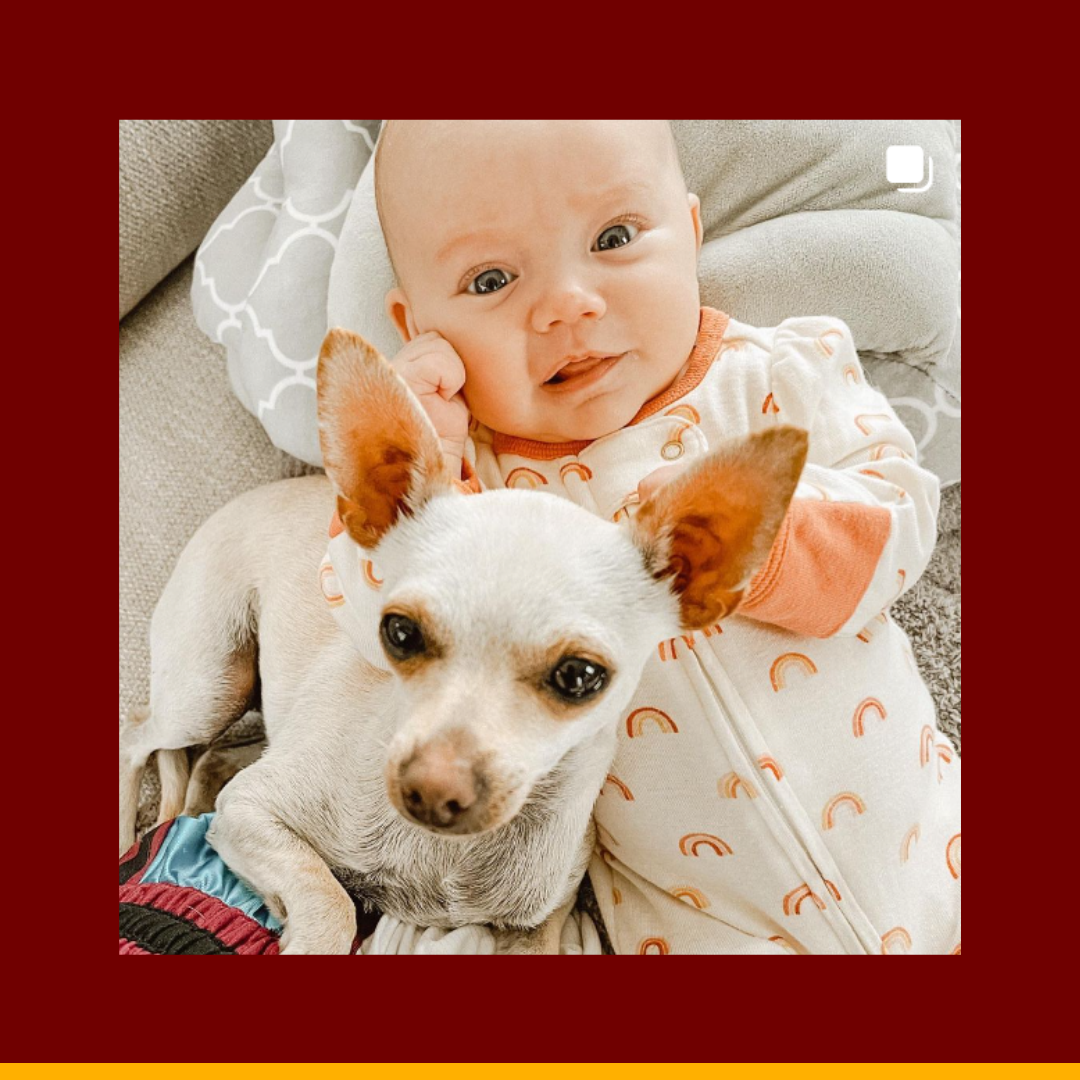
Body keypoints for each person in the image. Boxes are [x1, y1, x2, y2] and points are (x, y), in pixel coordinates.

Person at [344, 119, 960, 954]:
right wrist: (433, 470)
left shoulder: (777, 371)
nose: (567, 303)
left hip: (931, 836)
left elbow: (904, 514)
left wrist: (753, 542)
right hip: (687, 920)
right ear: (417, 324)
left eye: (614, 237)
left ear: (693, 237)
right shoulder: (459, 490)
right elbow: (359, 611)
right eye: (491, 278)